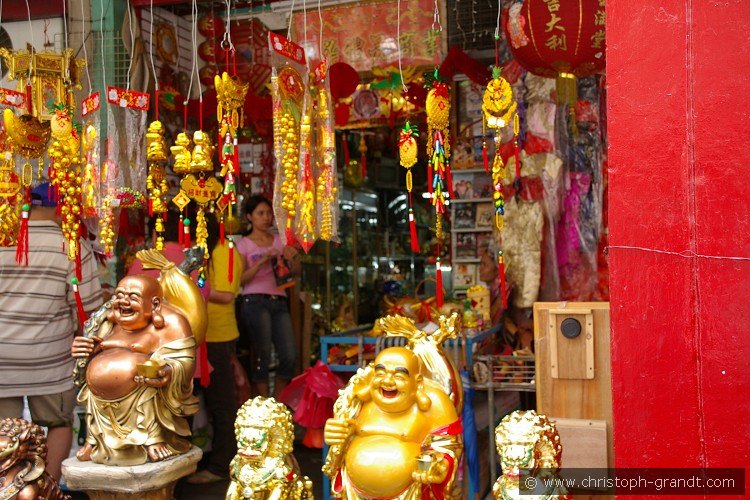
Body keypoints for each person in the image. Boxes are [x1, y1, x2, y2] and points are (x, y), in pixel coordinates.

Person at [0, 182, 102, 481]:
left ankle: (9, 488)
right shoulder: (70, 245)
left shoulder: (3, 239)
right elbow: (89, 311)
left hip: (3, 357)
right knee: (57, 422)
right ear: (62, 206)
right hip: (50, 358)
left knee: (5, 429)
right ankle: (48, 488)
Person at [71, 274, 199, 465]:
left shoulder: (173, 322)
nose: (123, 301)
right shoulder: (107, 322)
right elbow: (87, 359)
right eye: (119, 295)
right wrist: (84, 352)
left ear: (154, 304)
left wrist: (168, 371)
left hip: (143, 391)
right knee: (92, 388)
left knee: (145, 379)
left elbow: (186, 361)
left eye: (132, 297)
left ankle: (152, 438)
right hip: (101, 395)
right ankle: (95, 439)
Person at [323, 347, 462, 499]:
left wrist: (435, 464)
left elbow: (449, 446)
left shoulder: (435, 403)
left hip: (412, 492)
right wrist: (336, 435)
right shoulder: (357, 401)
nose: (388, 381)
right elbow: (339, 443)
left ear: (418, 382)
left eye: (399, 376)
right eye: (381, 374)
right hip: (353, 491)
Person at [186, 213, 244, 484]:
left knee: (221, 402)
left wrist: (193, 291)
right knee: (194, 402)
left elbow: (227, 294)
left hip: (219, 336)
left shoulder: (225, 251)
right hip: (200, 334)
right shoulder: (206, 251)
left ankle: (221, 466)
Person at [235, 195, 300, 398]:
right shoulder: (243, 245)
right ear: (249, 217)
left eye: (268, 213)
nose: (266, 218)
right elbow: (240, 279)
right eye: (260, 213)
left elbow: (296, 271)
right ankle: (263, 403)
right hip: (254, 301)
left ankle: (278, 401)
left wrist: (293, 257)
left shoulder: (280, 240)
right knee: (262, 354)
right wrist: (261, 261)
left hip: (279, 300)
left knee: (289, 354)